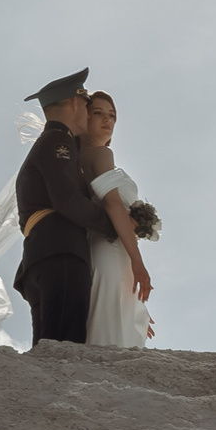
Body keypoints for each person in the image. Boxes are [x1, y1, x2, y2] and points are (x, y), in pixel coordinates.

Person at [11, 69, 117, 346]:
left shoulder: (50, 141)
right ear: (73, 103)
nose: (87, 110)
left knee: (47, 346)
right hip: (61, 253)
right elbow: (67, 199)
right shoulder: (60, 141)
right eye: (86, 104)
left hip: (44, 253)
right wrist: (113, 225)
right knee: (64, 345)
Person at [80, 91, 155, 346]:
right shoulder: (99, 155)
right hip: (109, 248)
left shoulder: (88, 158)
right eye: (98, 113)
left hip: (114, 249)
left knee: (114, 317)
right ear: (83, 117)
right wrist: (138, 263)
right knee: (110, 327)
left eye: (112, 116)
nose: (107, 120)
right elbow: (113, 205)